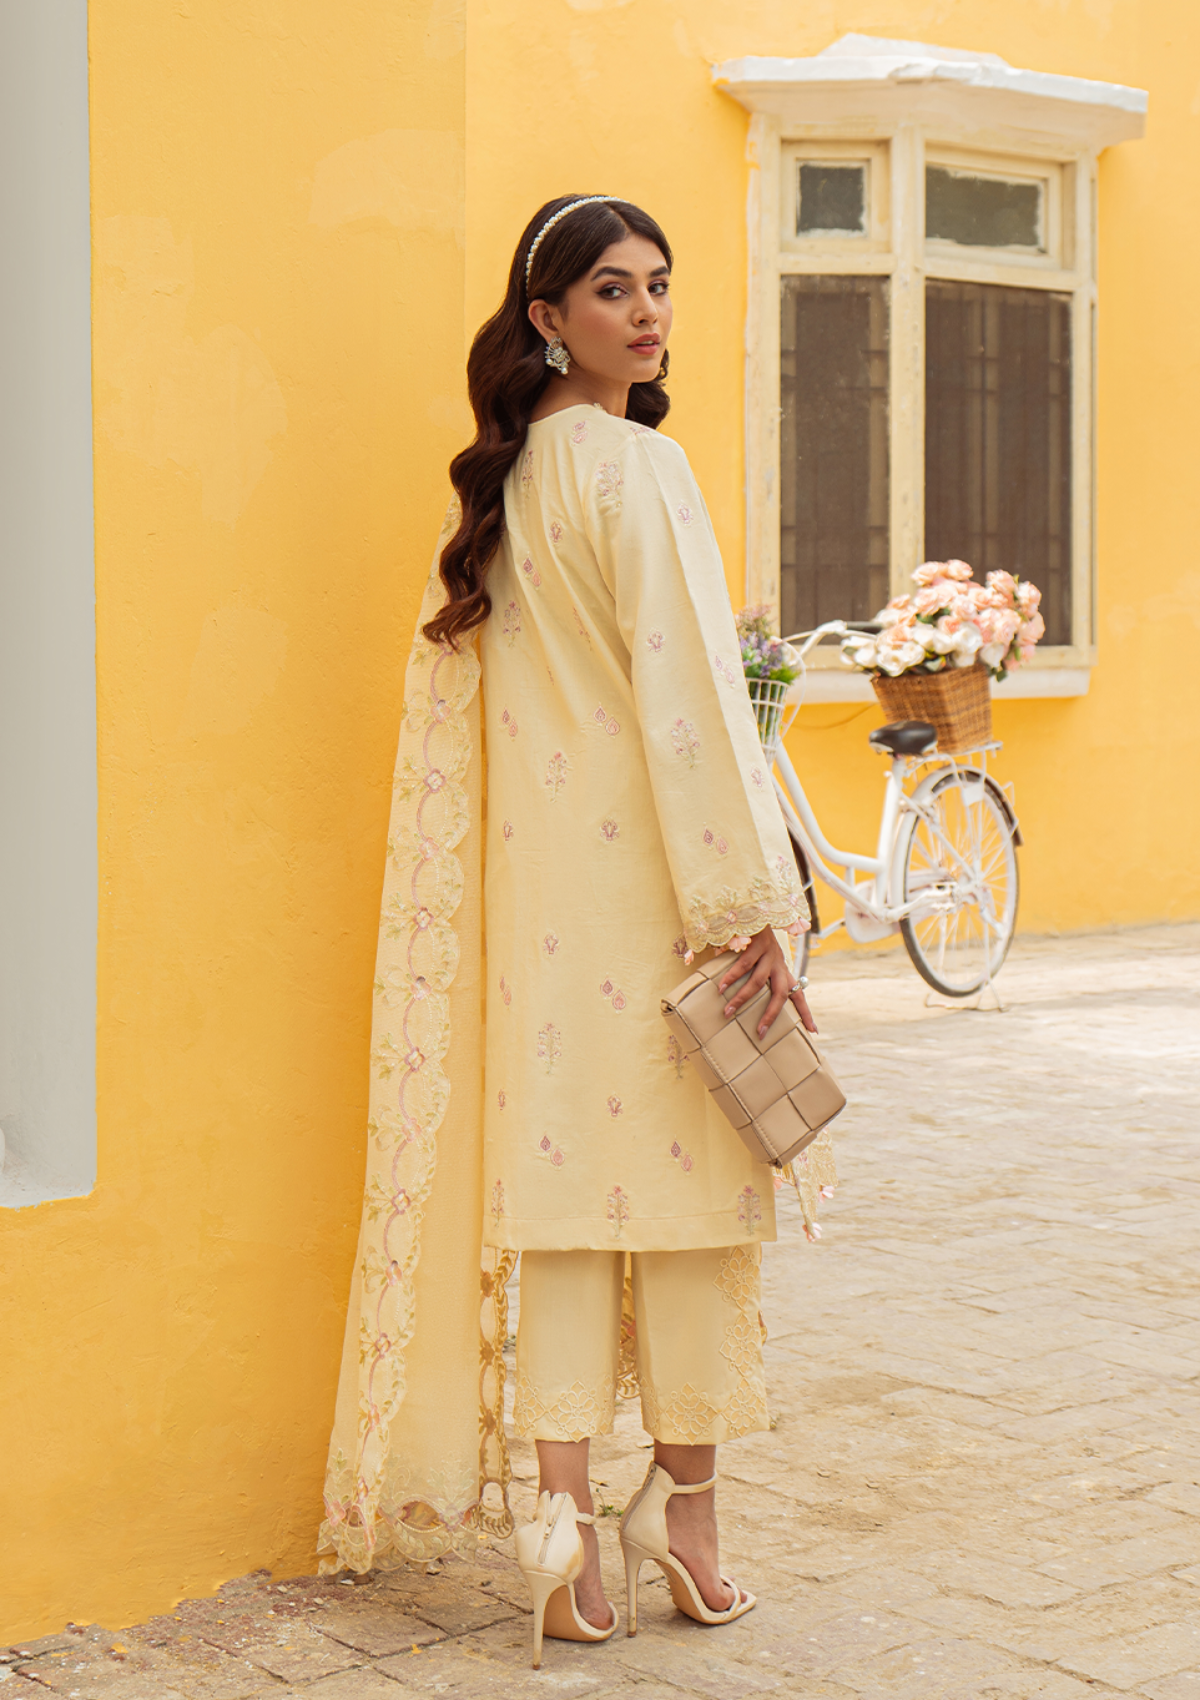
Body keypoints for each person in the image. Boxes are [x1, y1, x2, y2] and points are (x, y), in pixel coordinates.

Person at [319, 196, 832, 1669]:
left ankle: (558, 1538)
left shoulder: (494, 497)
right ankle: (688, 1527)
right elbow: (691, 702)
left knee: (556, 1207)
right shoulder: (639, 468)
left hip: (539, 919)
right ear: (546, 316)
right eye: (613, 289)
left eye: (659, 285)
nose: (648, 313)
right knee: (685, 1208)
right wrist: (753, 905)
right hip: (664, 906)